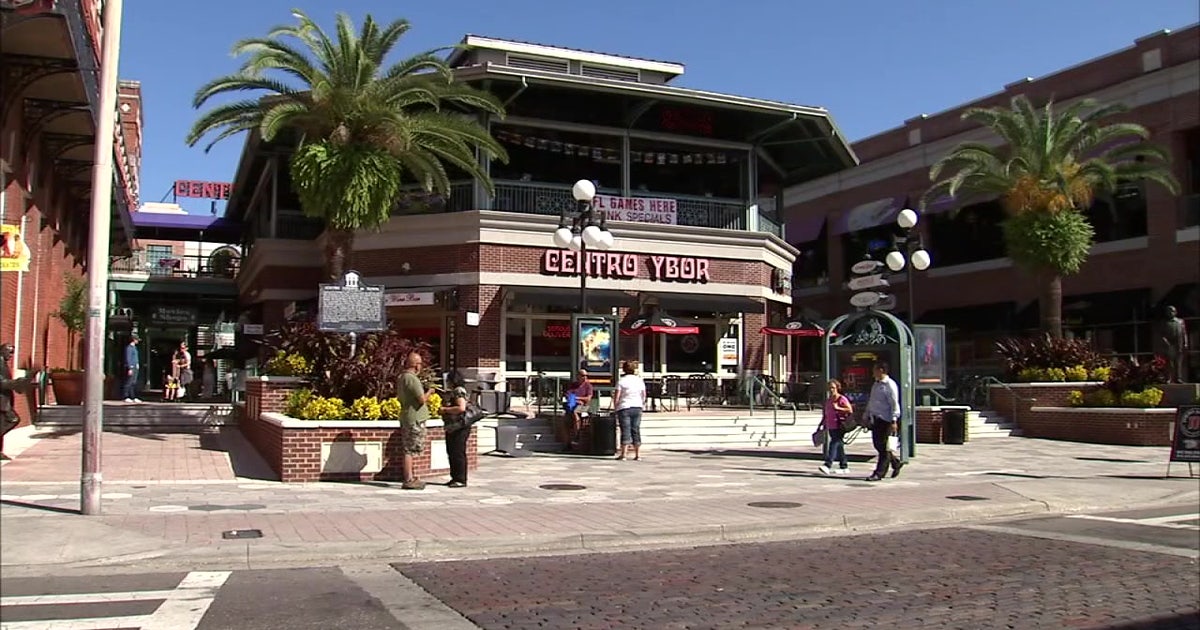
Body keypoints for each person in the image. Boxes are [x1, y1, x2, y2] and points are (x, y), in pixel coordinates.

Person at [397, 351, 435, 490]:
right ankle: (408, 479)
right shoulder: (412, 379)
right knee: (410, 450)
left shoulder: (401, 377)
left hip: (406, 415)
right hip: (415, 419)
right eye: (420, 364)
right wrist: (430, 392)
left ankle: (411, 477)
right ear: (416, 365)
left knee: (409, 448)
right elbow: (421, 400)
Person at [865, 362, 903, 481]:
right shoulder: (876, 384)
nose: (873, 372)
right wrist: (866, 414)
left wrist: (894, 420)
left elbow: (894, 403)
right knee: (878, 445)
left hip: (886, 419)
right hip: (875, 418)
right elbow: (872, 401)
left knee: (884, 447)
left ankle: (879, 473)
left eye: (875, 369)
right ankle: (895, 463)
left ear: (881, 370)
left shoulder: (889, 385)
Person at [1, 343, 36, 461]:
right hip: (1, 400)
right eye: (9, 352)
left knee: (3, 423)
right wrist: (16, 383)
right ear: (2, 351)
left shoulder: (3, 363)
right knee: (12, 419)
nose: (11, 355)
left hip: (5, 399)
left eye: (12, 353)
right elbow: (1, 382)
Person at [438, 371, 471, 487]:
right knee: (451, 451)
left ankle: (461, 479)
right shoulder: (453, 391)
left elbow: (461, 408)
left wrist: (445, 410)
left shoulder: (459, 391)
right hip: (452, 427)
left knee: (458, 452)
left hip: (460, 426)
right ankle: (455, 477)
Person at [612, 360, 646, 461]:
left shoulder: (622, 381)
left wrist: (615, 406)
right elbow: (643, 395)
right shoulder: (639, 380)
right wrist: (641, 404)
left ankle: (624, 454)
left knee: (625, 430)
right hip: (637, 406)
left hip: (625, 407)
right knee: (635, 429)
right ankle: (638, 454)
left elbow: (617, 396)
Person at [818, 379, 854, 475]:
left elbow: (849, 409)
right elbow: (826, 414)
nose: (831, 390)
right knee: (839, 446)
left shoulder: (841, 399)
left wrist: (838, 408)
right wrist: (822, 423)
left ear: (837, 388)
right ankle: (844, 465)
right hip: (831, 425)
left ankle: (828, 464)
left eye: (833, 388)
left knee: (834, 443)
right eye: (829, 388)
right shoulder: (828, 401)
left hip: (839, 425)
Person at [563, 368, 594, 451]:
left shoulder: (588, 386)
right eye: (583, 375)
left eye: (586, 376)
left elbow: (588, 399)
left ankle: (577, 436)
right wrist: (577, 400)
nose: (585, 377)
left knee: (575, 413)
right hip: (573, 405)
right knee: (567, 421)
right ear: (578, 376)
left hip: (584, 406)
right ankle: (568, 443)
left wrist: (576, 398)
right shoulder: (573, 385)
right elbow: (568, 396)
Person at [1161, 305, 1190, 384]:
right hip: (1169, 344)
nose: (1170, 313)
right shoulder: (1164, 323)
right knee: (1169, 363)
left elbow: (1184, 333)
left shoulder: (1180, 321)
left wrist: (1186, 343)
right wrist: (1165, 341)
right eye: (1169, 311)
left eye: (1172, 311)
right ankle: (1169, 378)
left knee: (1178, 362)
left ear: (1176, 312)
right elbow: (1161, 334)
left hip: (1179, 344)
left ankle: (1178, 378)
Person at [122, 335, 142, 403]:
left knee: (133, 382)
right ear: (134, 340)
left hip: (135, 367)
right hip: (132, 367)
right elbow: (128, 358)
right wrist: (130, 367)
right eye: (137, 340)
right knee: (129, 382)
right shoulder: (129, 348)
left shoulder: (134, 348)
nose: (137, 341)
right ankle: (126, 396)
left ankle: (133, 396)